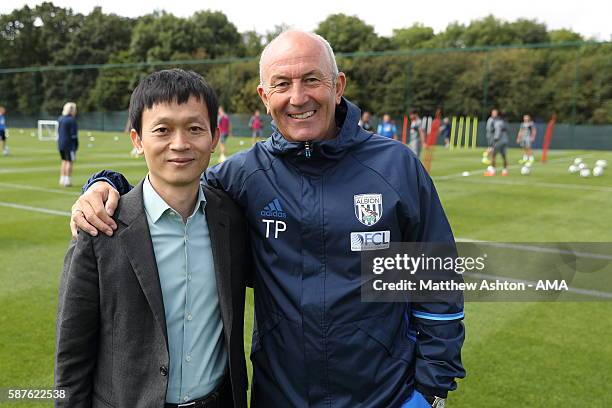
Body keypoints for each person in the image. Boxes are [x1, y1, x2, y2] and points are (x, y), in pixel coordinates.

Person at [71, 31, 465, 408]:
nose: (298, 97)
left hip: (384, 397)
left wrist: (428, 390)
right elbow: (172, 186)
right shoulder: (242, 176)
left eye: (312, 79)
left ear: (338, 85)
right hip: (279, 397)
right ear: (264, 95)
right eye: (282, 84)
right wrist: (105, 184)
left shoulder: (396, 167)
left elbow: (438, 284)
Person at [55, 69, 251, 408]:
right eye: (162, 130)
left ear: (214, 137)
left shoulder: (232, 219)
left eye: (194, 128)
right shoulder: (99, 230)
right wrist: (101, 182)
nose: (179, 144)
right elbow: (71, 358)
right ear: (137, 139)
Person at [57, 102, 79, 187]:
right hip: (69, 145)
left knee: (64, 161)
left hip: (61, 144)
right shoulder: (72, 120)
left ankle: (62, 179)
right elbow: (73, 135)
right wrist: (75, 145)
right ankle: (67, 180)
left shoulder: (60, 118)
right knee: (69, 162)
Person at [484, 111, 509, 176]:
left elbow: (497, 132)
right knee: (504, 156)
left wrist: (495, 140)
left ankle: (492, 171)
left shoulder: (497, 123)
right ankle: (505, 171)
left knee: (493, 156)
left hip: (498, 141)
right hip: (505, 140)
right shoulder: (503, 122)